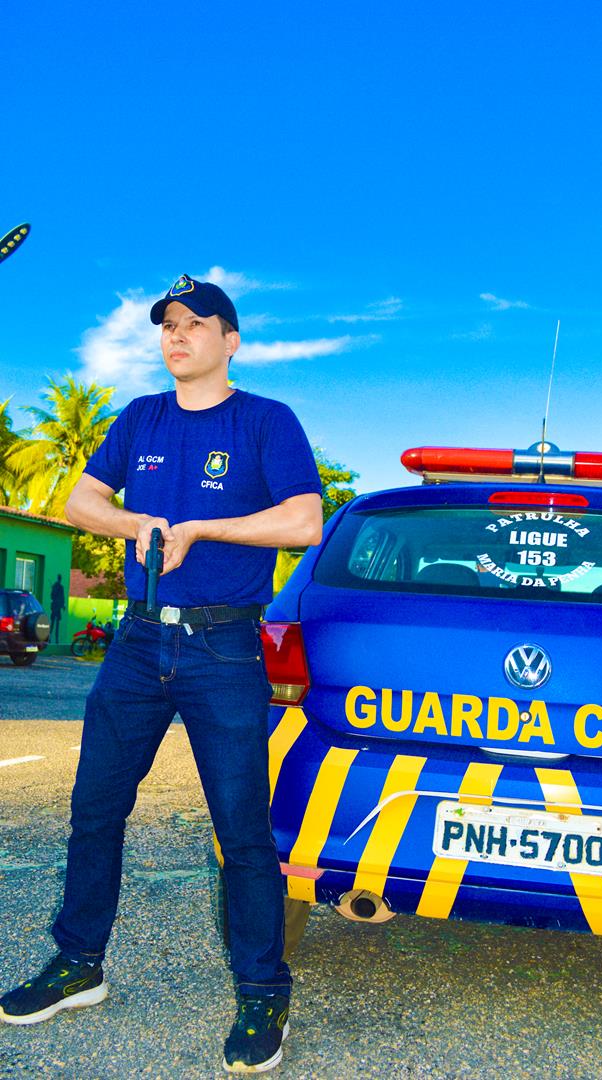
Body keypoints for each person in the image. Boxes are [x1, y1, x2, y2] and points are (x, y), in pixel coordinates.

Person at [0, 274, 323, 1073]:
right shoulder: (141, 416)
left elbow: (304, 520)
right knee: (94, 811)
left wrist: (201, 529)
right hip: (138, 644)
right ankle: (79, 963)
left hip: (225, 648)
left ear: (230, 340)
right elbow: (80, 503)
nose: (176, 335)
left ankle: (262, 990)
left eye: (193, 323)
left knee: (243, 832)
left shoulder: (265, 420)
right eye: (167, 325)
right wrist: (136, 521)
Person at [49, 573, 65, 643]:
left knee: (54, 622)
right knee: (55, 623)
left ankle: (52, 638)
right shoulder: (60, 587)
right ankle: (54, 638)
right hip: (57, 607)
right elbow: (62, 597)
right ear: (60, 579)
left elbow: (52, 596)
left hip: (55, 606)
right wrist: (62, 605)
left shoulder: (55, 586)